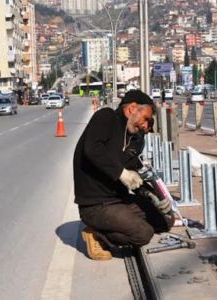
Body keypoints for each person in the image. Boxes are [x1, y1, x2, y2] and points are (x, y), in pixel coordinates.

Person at [73, 90, 174, 260]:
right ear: (131, 109)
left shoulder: (135, 138)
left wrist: (153, 195)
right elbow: (92, 149)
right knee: (143, 233)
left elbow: (135, 176)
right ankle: (96, 234)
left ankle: (118, 224)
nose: (146, 127)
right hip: (96, 204)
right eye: (146, 119)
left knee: (165, 221)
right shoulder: (106, 117)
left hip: (119, 199)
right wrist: (121, 173)